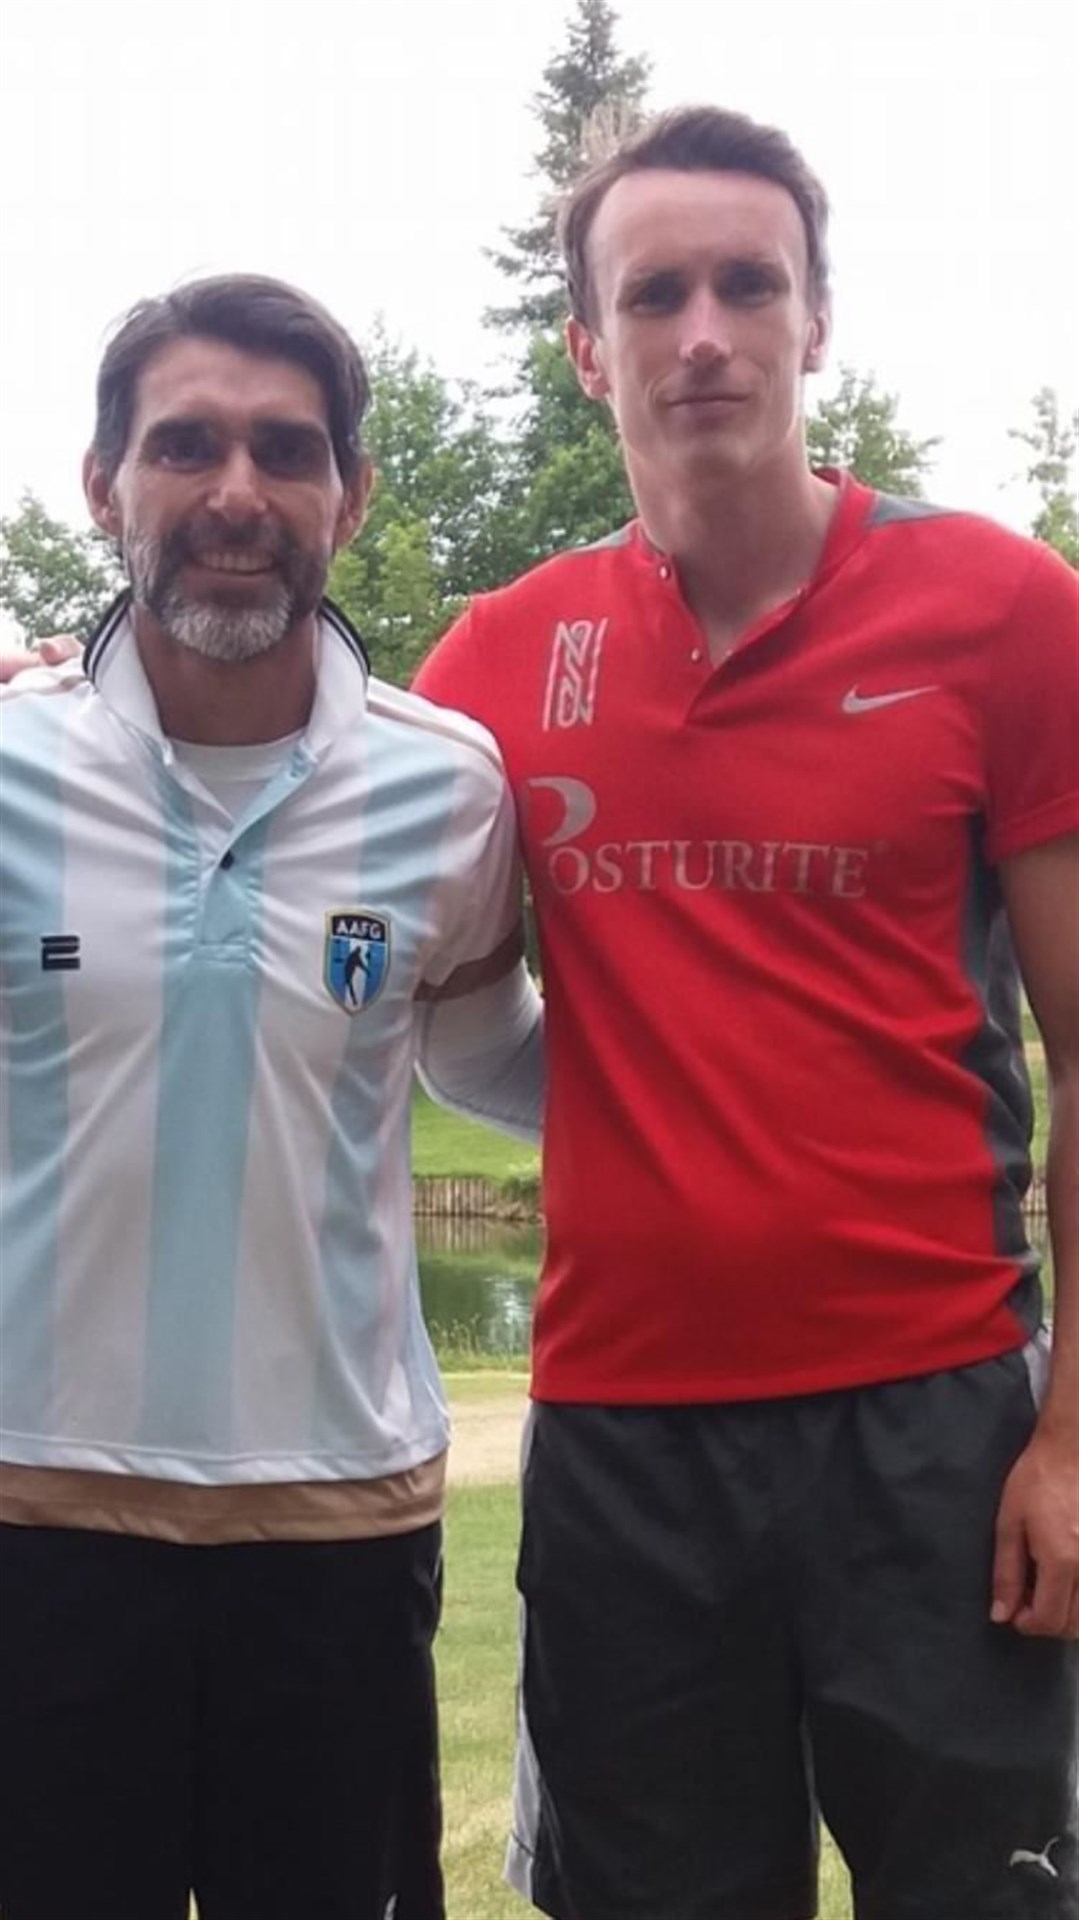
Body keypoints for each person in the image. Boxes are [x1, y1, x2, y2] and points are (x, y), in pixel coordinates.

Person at [414, 107, 1079, 1918]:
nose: (702, 328)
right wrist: (67, 699)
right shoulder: (488, 666)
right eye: (654, 292)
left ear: (816, 319)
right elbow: (304, 825)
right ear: (587, 346)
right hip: (627, 1440)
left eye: (745, 284)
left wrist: (1073, 1435)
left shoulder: (1006, 613)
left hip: (936, 1424)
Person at [0, 274, 543, 1920]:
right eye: (186, 446)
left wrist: (738, 1076)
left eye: (286, 451)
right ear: (107, 486)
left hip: (336, 1526)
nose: (236, 493)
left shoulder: (450, 788)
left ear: (350, 495)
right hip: (34, 1510)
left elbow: (477, 1057)